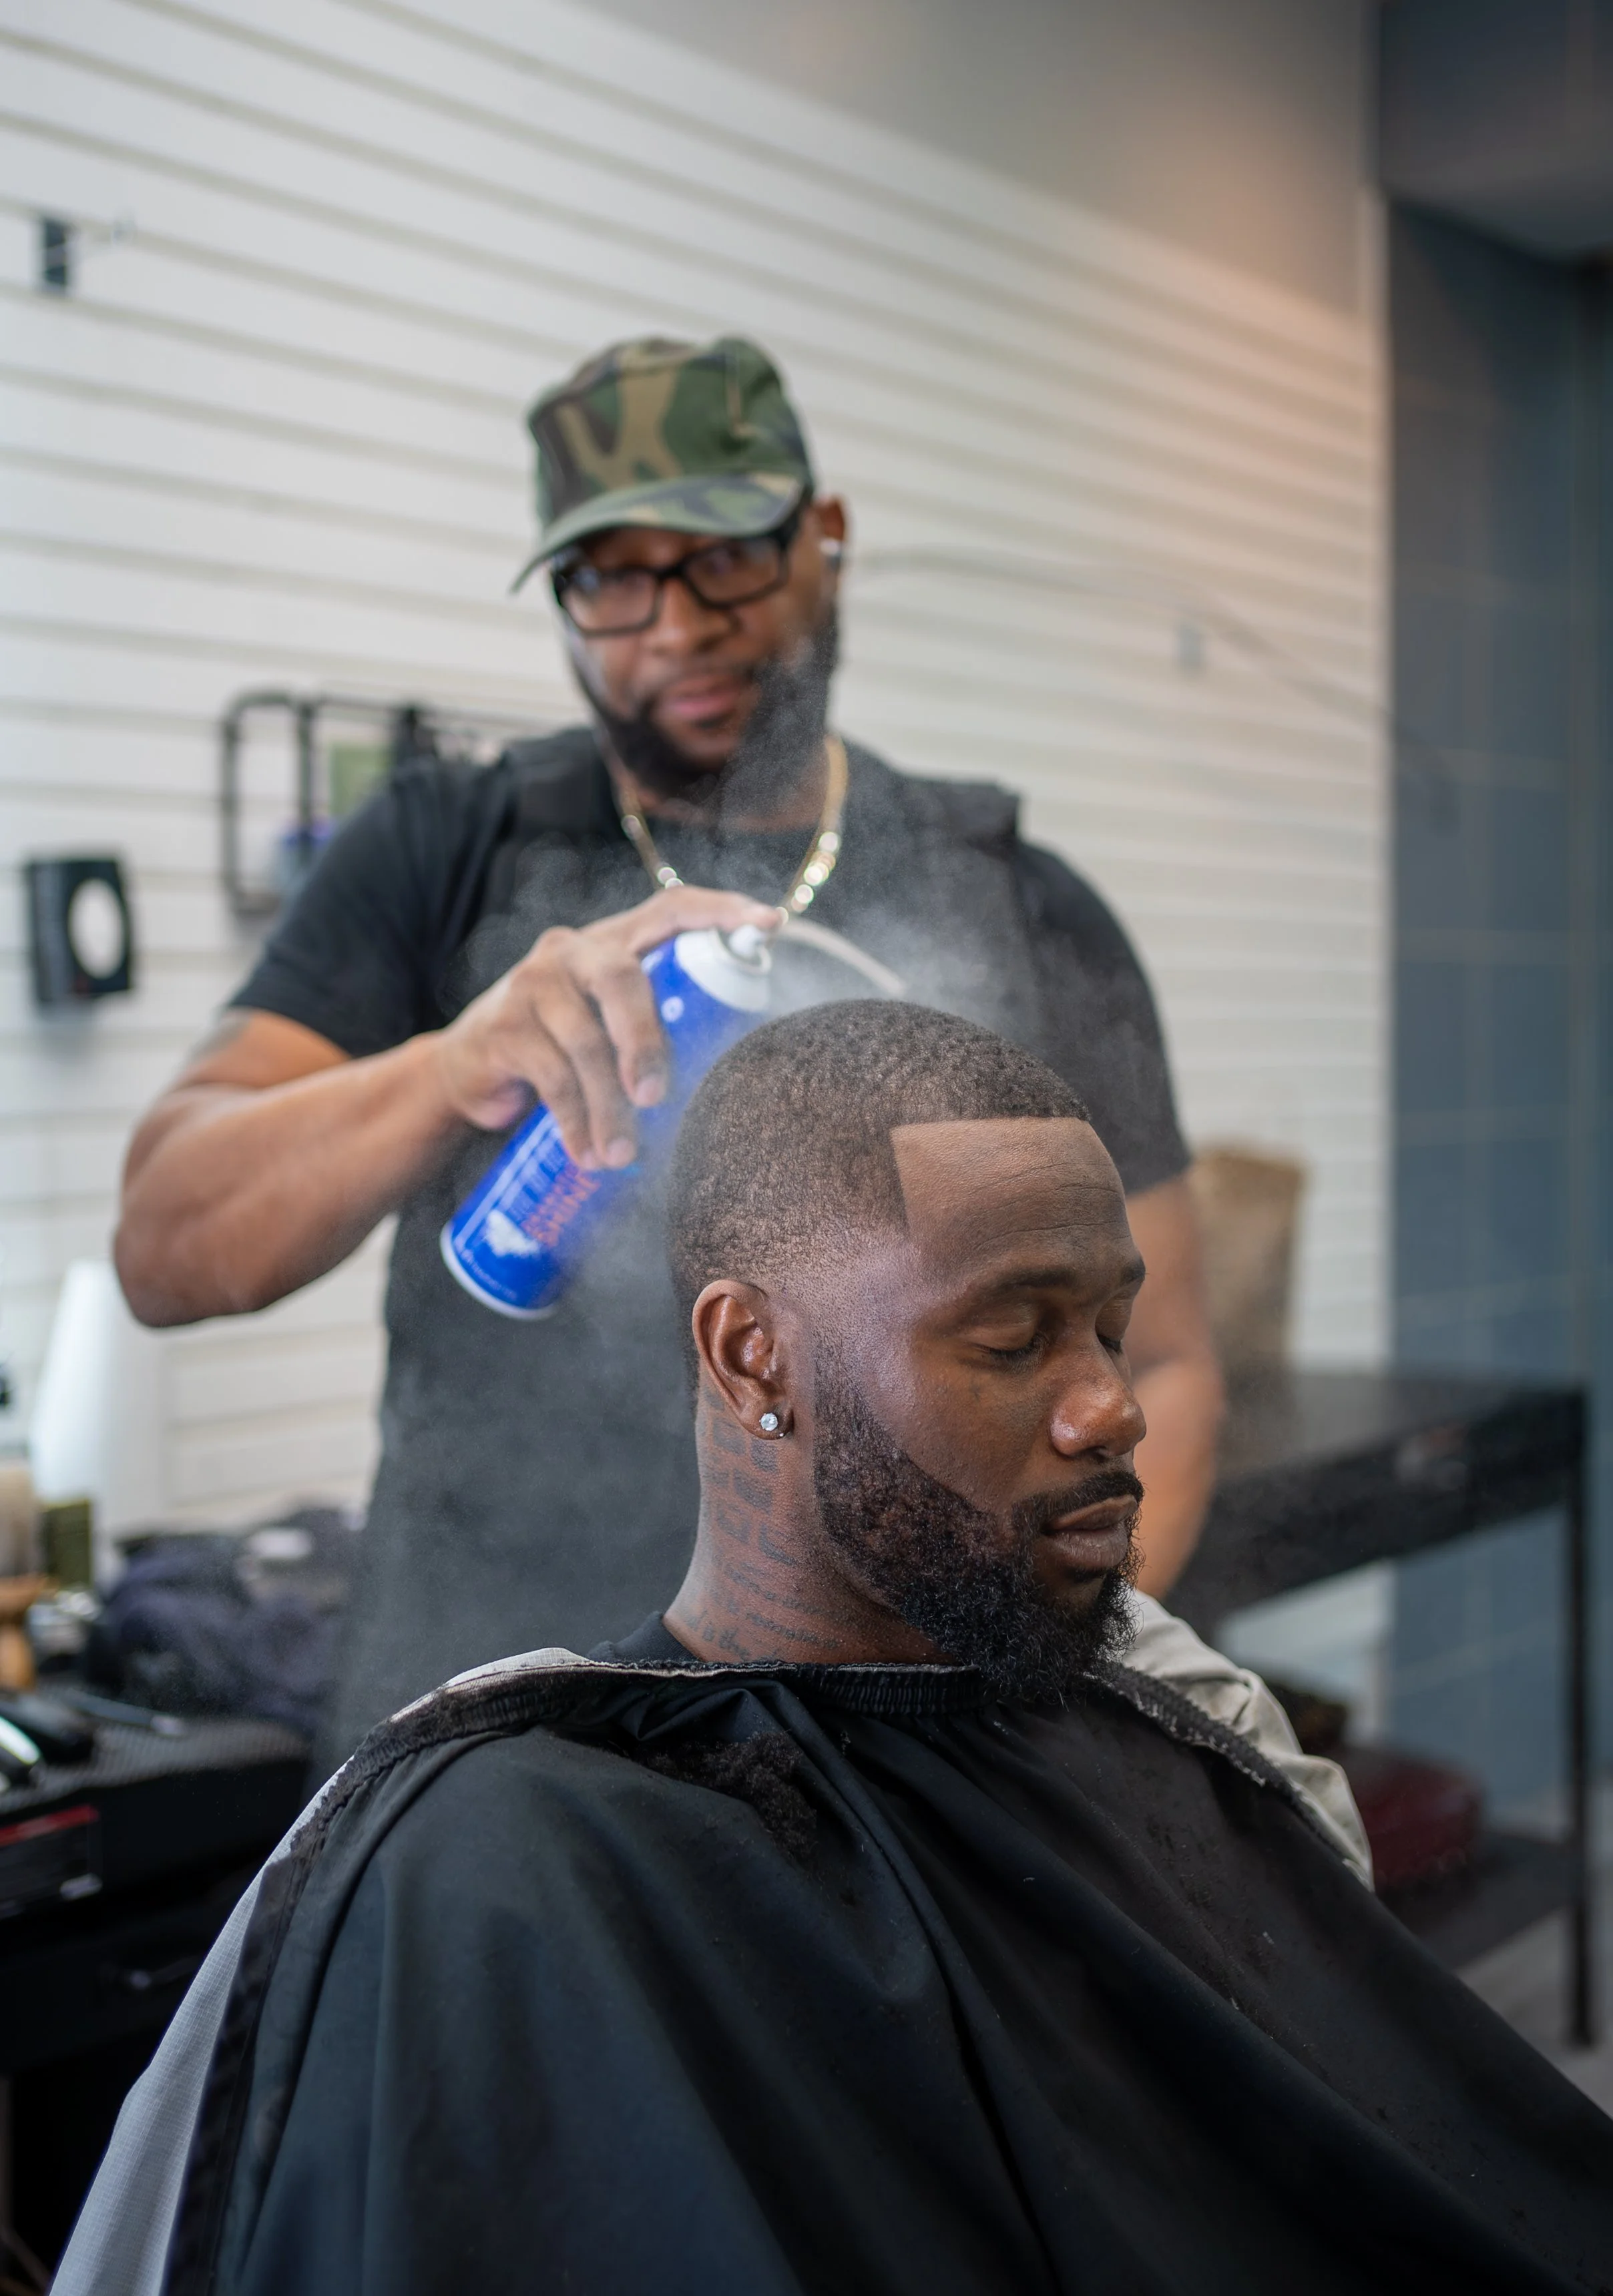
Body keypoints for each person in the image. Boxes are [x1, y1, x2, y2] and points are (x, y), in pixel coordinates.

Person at [25, 1002, 1612, 2296]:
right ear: (751, 1352)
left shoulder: (1169, 1730)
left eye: (1110, 1327)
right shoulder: (512, 1858)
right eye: (1014, 1334)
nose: (1111, 1401)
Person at [116, 333, 1221, 1770]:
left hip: (909, 1733)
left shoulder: (1016, 902)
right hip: (488, 1733)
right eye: (608, 580)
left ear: (823, 538)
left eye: (722, 559)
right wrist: (453, 1064)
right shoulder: (444, 849)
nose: (674, 625)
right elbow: (165, 1242)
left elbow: (1175, 1365)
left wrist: (1062, 1682)